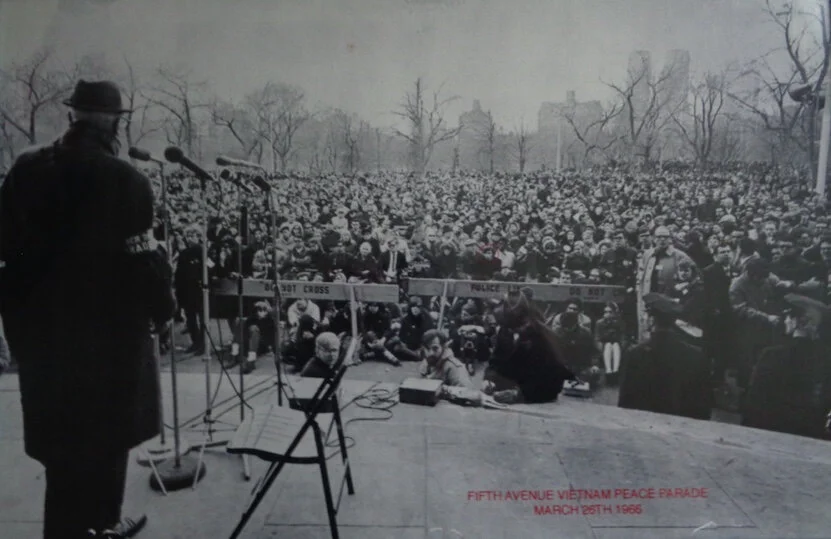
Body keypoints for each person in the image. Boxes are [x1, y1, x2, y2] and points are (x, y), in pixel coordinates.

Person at [0, 80, 176, 538]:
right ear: (114, 121)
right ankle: (102, 527)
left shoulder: (24, 169)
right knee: (106, 443)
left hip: (43, 343)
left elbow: (6, 251)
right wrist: (166, 308)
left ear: (74, 114)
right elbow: (144, 262)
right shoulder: (126, 180)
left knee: (62, 450)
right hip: (108, 343)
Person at [742, 294, 831, 439]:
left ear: (799, 322)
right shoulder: (826, 360)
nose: (786, 321)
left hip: (770, 433)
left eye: (789, 316)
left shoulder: (772, 355)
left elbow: (754, 402)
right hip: (810, 435)